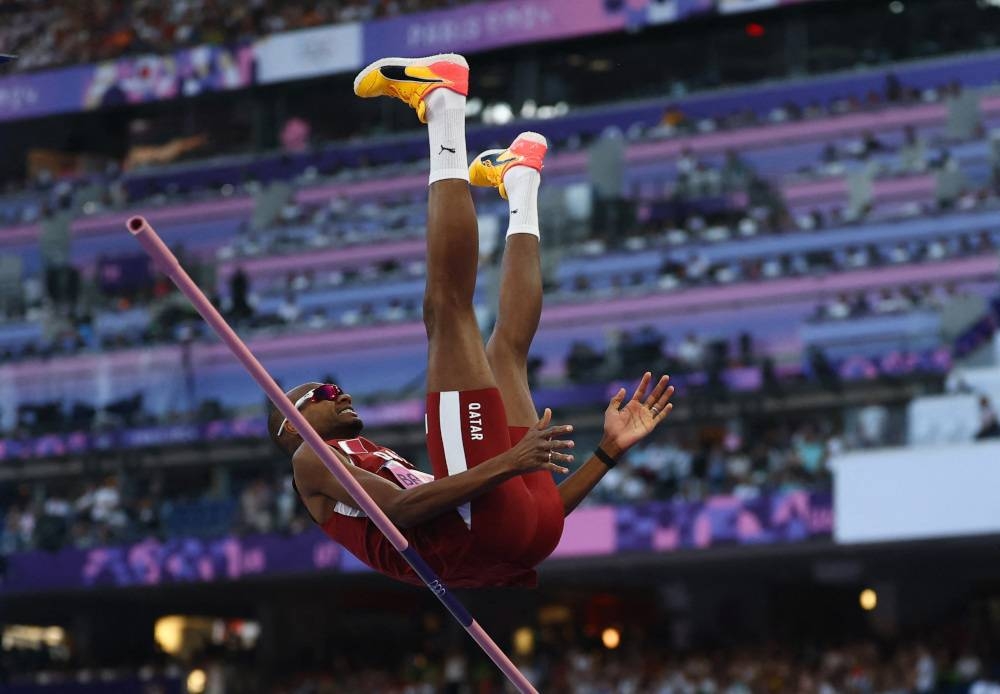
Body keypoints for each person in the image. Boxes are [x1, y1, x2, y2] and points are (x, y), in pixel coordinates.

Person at [267, 54, 675, 588]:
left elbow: (526, 518)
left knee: (505, 352)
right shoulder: (311, 459)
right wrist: (523, 462)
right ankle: (443, 106)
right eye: (320, 392)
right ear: (291, 424)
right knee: (446, 311)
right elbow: (403, 512)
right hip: (486, 532)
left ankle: (521, 184)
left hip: (522, 532)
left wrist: (605, 454)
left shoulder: (365, 453)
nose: (337, 391)